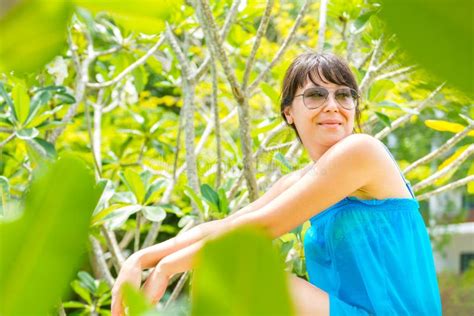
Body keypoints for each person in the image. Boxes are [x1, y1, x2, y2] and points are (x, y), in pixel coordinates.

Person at [111, 52, 442, 315]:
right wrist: (141, 258)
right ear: (288, 113)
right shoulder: (303, 179)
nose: (333, 105)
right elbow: (231, 224)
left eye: (344, 95)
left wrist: (167, 267)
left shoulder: (361, 151)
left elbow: (265, 225)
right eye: (315, 95)